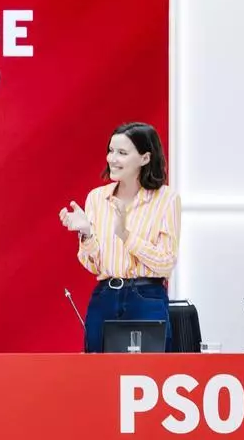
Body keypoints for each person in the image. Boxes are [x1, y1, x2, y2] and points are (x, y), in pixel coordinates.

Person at [58, 122, 180, 353]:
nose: (112, 159)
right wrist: (86, 233)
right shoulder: (96, 198)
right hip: (105, 295)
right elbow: (94, 266)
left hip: (147, 297)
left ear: (145, 158)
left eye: (122, 153)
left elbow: (166, 263)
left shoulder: (167, 199)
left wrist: (125, 235)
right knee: (97, 374)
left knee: (148, 376)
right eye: (111, 151)